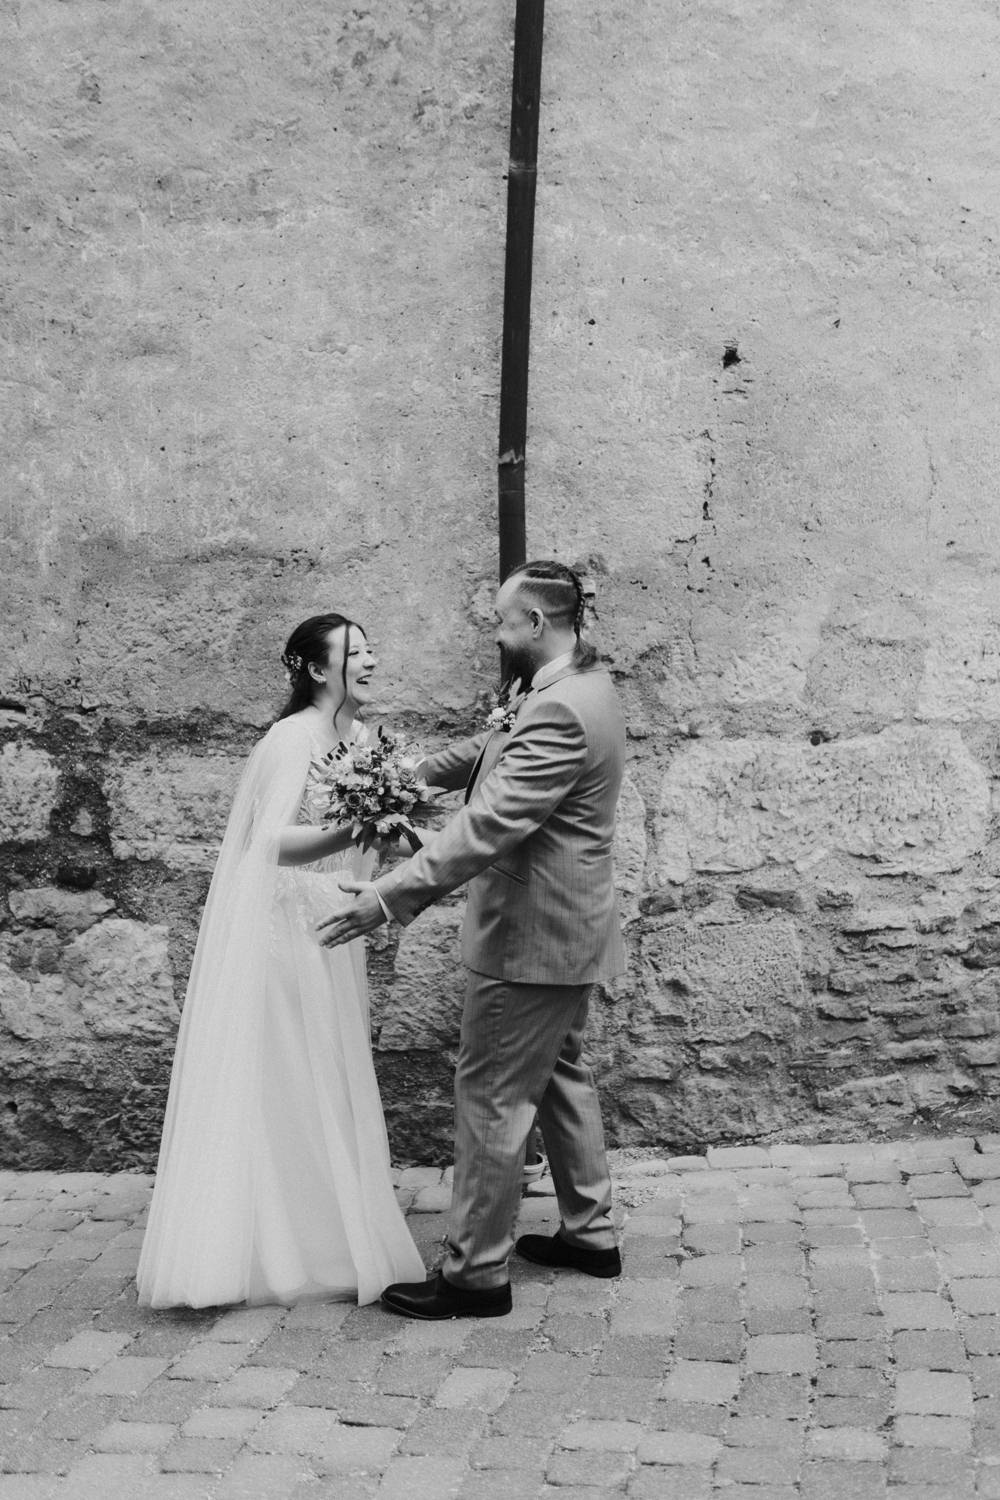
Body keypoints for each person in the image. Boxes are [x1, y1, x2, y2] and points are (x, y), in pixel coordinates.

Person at [317, 560, 626, 1319]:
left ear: (537, 624)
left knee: (491, 1096)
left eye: (501, 620)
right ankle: (592, 1231)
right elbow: (490, 754)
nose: (495, 632)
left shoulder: (560, 708)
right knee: (558, 1073)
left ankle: (475, 1274)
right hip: (568, 928)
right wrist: (400, 774)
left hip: (532, 938)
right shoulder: (572, 685)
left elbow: (493, 824)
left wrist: (390, 897)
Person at [137, 613, 425, 1308]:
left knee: (325, 1066)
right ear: (319, 670)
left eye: (372, 646)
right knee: (288, 1071)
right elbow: (266, 842)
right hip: (284, 925)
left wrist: (389, 835)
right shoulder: (290, 738)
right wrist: (355, 825)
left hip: (327, 917)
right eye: (357, 652)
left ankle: (323, 1229)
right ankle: (259, 1246)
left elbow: (353, 836)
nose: (373, 660)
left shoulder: (357, 740)